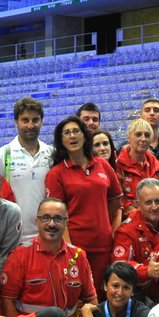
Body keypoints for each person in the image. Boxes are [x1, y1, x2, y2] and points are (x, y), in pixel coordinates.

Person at [46, 114, 123, 286]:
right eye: (66, 133)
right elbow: (56, 216)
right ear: (61, 141)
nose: (72, 136)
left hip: (104, 246)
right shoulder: (56, 173)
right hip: (76, 247)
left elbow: (115, 202)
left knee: (102, 295)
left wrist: (111, 231)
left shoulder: (103, 165)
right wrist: (69, 249)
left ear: (84, 135)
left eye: (76, 131)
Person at [1, 197, 97, 317]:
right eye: (45, 218)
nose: (51, 224)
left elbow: (91, 299)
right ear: (37, 221)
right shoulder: (19, 256)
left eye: (58, 219)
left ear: (66, 223)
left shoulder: (78, 256)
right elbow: (7, 300)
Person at [111, 178, 159, 299]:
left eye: (158, 201)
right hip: (141, 294)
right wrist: (146, 271)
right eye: (148, 203)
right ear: (137, 204)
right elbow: (119, 266)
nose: (154, 207)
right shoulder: (126, 231)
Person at [0, 97, 53, 243]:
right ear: (16, 122)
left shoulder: (52, 154)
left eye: (35, 120)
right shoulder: (2, 155)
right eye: (25, 120)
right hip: (13, 239)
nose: (30, 125)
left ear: (42, 122)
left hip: (47, 237)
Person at [114, 118, 159, 198]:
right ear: (128, 137)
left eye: (147, 135)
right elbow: (118, 199)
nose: (143, 139)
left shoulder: (158, 167)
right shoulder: (117, 165)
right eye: (138, 134)